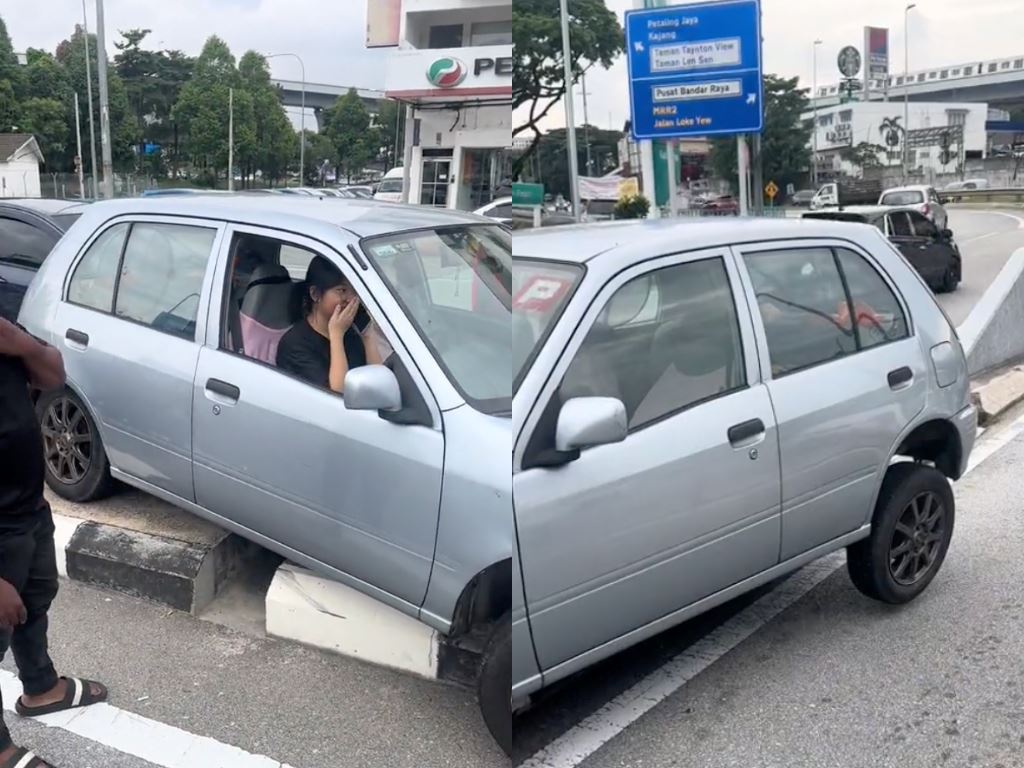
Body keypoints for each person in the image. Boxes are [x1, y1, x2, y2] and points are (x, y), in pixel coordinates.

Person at [0, 318, 109, 768]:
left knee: (36, 596)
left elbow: (52, 375)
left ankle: (41, 688)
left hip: (28, 506)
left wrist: (16, 342)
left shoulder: (6, 334)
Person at [277, 256, 384, 393]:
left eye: (355, 291)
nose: (351, 300)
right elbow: (338, 393)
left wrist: (367, 334)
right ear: (315, 294)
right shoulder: (295, 344)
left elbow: (380, 383)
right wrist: (336, 335)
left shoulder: (352, 331)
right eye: (342, 291)